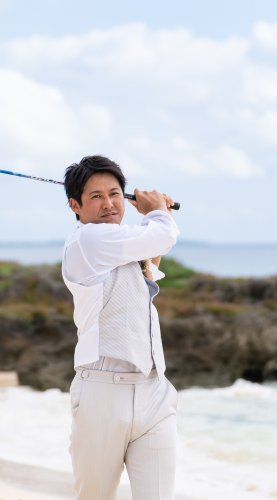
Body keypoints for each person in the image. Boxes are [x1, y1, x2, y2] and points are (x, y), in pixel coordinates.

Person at [62, 156, 180, 500]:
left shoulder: (121, 247)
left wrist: (159, 213)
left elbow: (151, 257)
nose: (109, 204)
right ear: (75, 205)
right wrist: (157, 211)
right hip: (102, 392)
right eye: (95, 196)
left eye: (115, 193)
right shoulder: (87, 242)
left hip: (154, 390)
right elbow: (164, 235)